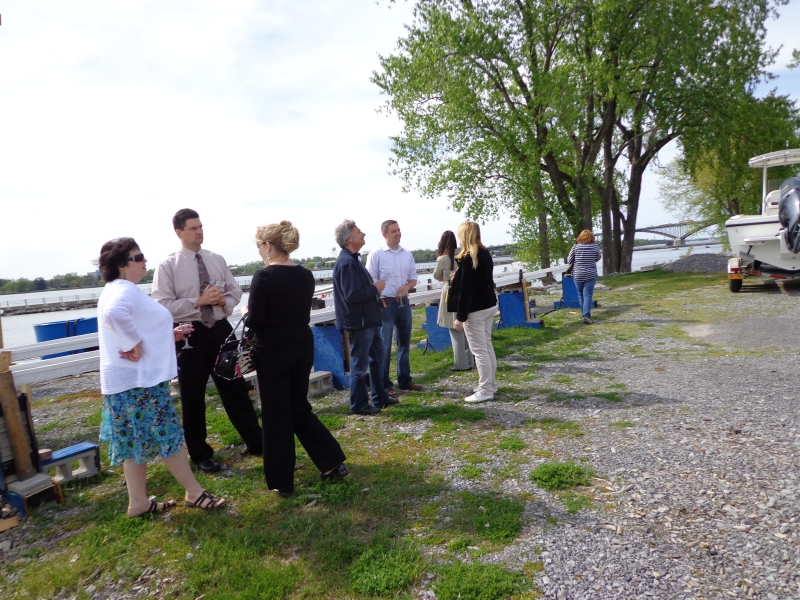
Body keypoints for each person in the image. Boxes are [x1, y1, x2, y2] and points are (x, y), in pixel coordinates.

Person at [97, 238, 226, 517]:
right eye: (137, 256)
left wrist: (170, 335)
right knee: (168, 436)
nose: (144, 260)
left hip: (124, 383)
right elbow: (115, 314)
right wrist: (133, 342)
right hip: (138, 383)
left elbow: (131, 321)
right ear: (121, 265)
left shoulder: (116, 289)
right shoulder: (123, 291)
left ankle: (139, 503)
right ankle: (194, 492)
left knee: (133, 443)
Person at [152, 209, 263, 473]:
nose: (199, 231)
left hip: (221, 330)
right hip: (190, 334)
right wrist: (198, 302)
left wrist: (223, 300)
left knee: (235, 389)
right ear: (179, 233)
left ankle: (257, 442)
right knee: (193, 396)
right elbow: (162, 305)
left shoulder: (216, 259)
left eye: (200, 226)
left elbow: (235, 291)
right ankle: (201, 455)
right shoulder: (168, 265)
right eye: (193, 228)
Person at [243, 221, 348, 496]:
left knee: (277, 415)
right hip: (302, 346)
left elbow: (256, 320)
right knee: (298, 407)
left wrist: (245, 309)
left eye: (259, 246)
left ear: (267, 246)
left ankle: (282, 481)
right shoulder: (306, 275)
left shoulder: (263, 277)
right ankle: (331, 462)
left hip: (273, 350)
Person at [332, 219, 392, 415]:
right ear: (349, 238)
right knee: (359, 365)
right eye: (359, 232)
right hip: (360, 322)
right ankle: (358, 404)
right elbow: (352, 295)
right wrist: (374, 288)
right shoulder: (347, 263)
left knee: (378, 358)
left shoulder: (353, 260)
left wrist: (376, 297)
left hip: (369, 319)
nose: (363, 234)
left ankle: (379, 397)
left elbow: (357, 292)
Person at [366, 220, 422, 397]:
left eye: (398, 230)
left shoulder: (407, 254)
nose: (398, 233)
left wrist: (408, 286)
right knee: (384, 346)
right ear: (385, 235)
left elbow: (413, 278)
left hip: (403, 303)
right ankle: (385, 385)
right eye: (394, 231)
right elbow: (371, 281)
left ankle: (405, 380)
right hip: (386, 304)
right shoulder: (377, 254)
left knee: (404, 343)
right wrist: (380, 300)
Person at [452, 222, 498, 404]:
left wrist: (460, 317)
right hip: (488, 304)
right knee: (486, 346)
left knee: (479, 350)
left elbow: (466, 291)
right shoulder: (484, 253)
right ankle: (491, 384)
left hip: (476, 309)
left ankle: (486, 389)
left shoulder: (470, 257)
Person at [433, 230, 474, 371]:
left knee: (455, 329)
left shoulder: (443, 258)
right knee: (466, 328)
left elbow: (436, 275)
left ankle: (461, 364)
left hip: (450, 293)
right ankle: (470, 361)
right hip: (465, 292)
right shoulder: (463, 254)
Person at [567, 229, 601, 324]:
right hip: (590, 274)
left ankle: (584, 314)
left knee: (580, 294)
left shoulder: (575, 247)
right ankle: (586, 315)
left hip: (578, 274)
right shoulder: (595, 247)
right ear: (591, 237)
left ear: (580, 237)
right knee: (588, 295)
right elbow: (598, 258)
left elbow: (569, 260)